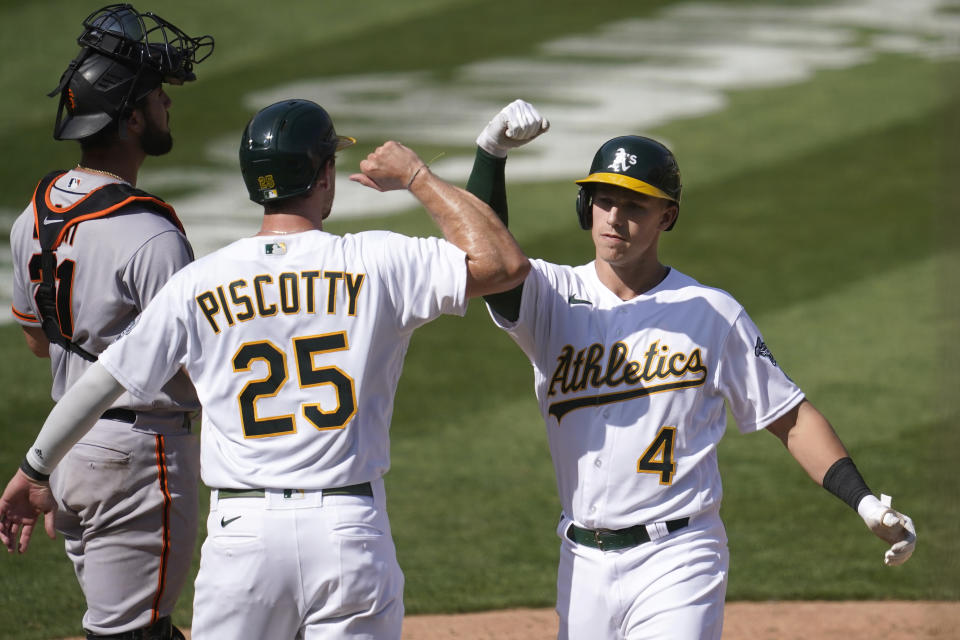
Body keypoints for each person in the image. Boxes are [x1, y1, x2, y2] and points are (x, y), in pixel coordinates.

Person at [0, 98, 530, 639]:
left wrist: (34, 470)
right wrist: (417, 176)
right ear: (325, 174)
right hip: (348, 532)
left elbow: (101, 383)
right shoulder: (378, 260)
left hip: (242, 539)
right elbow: (504, 263)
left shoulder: (198, 282)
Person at [465, 100, 917, 640]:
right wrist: (490, 155)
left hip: (679, 555)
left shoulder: (710, 312)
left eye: (634, 206)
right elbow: (487, 259)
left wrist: (862, 499)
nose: (615, 218)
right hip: (580, 561)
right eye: (604, 201)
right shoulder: (550, 297)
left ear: (667, 216)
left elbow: (789, 417)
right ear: (585, 207)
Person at [4, 4, 213, 639]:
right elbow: (191, 365)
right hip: (139, 454)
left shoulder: (32, 215)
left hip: (67, 449)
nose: (167, 109)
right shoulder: (151, 235)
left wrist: (65, 456)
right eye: (156, 100)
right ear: (129, 119)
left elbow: (39, 342)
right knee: (133, 633)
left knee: (133, 626)